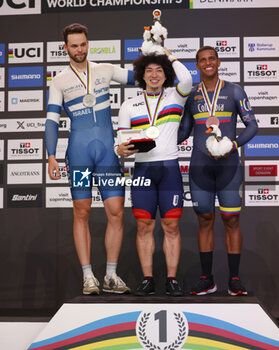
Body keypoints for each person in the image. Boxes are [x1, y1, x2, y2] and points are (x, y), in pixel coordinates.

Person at [45, 23, 134, 295]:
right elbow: (50, 122)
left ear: (88, 43)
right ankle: (88, 276)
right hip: (80, 156)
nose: (80, 50)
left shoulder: (105, 70)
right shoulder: (59, 81)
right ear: (66, 48)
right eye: (74, 46)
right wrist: (51, 156)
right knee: (81, 211)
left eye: (83, 44)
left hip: (108, 153)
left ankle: (110, 275)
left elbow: (143, 76)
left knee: (116, 212)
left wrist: (156, 50)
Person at [178, 46, 258, 296]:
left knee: (232, 220)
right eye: (202, 60)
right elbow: (182, 132)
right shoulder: (191, 97)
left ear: (219, 61)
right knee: (204, 220)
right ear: (198, 66)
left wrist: (232, 145)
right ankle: (207, 279)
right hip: (200, 167)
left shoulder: (234, 90)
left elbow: (252, 125)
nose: (208, 63)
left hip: (228, 166)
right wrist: (153, 137)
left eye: (211, 58)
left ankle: (234, 280)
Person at [116, 48, 192, 296]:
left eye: (159, 70)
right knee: (144, 226)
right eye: (149, 70)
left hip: (169, 168)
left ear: (166, 73)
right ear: (142, 75)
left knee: (171, 226)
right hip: (143, 170)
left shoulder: (175, 96)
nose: (154, 74)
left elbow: (188, 79)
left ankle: (172, 279)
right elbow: (121, 142)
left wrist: (166, 53)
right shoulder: (130, 104)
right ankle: (148, 279)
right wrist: (122, 150)